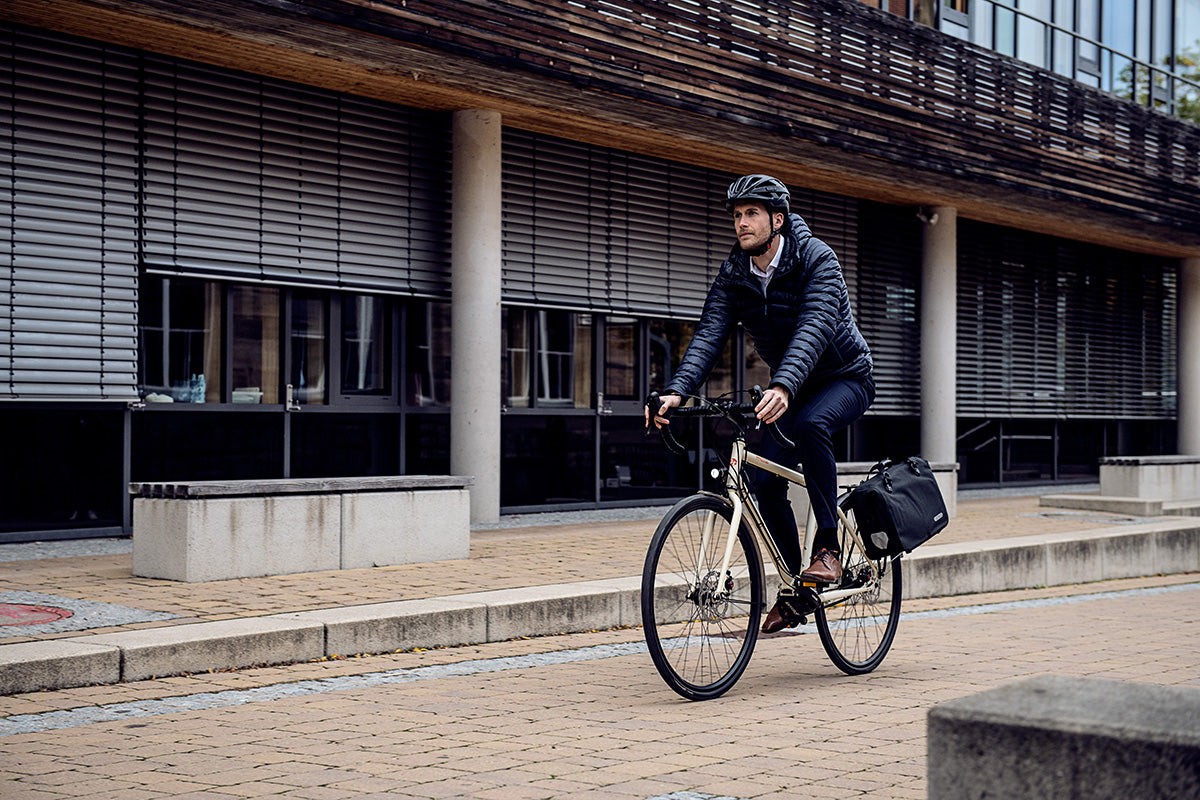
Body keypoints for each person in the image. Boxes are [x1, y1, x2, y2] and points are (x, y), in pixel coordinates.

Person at [645, 174, 875, 634]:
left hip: (844, 377)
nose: (742, 223)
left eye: (751, 213)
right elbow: (709, 333)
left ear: (778, 219)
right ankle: (799, 589)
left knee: (811, 424)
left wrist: (785, 385)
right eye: (736, 215)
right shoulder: (736, 271)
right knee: (759, 479)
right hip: (792, 384)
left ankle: (828, 548)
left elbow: (814, 326)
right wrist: (677, 390)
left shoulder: (817, 259)